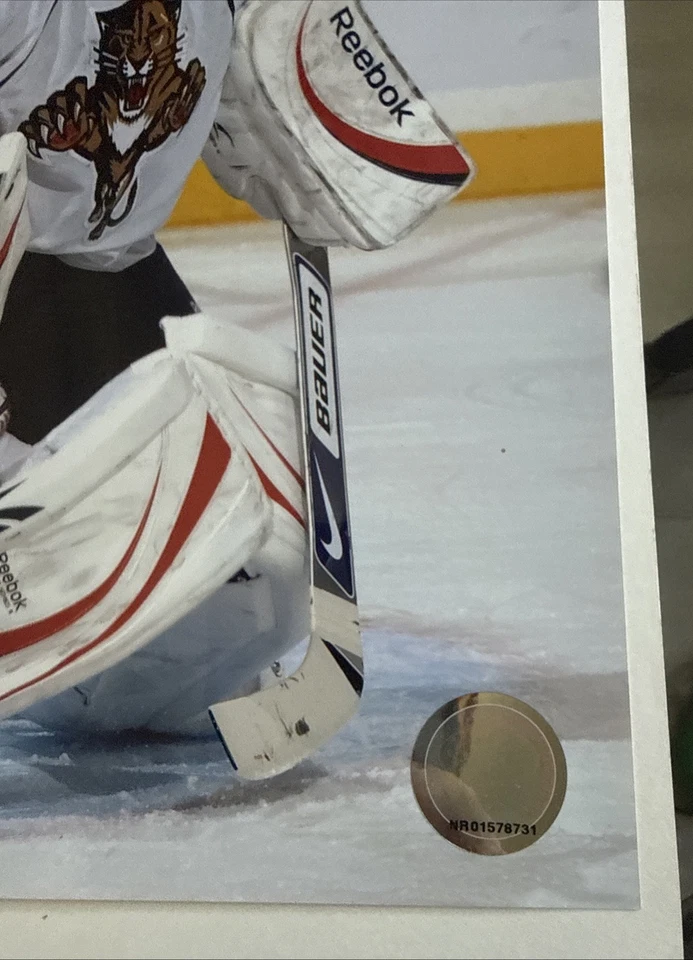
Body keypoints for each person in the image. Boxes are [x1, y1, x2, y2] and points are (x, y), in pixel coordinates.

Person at [0, 0, 472, 746]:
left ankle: (87, 682)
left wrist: (290, 94)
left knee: (252, 572)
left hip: (96, 289)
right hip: (16, 297)